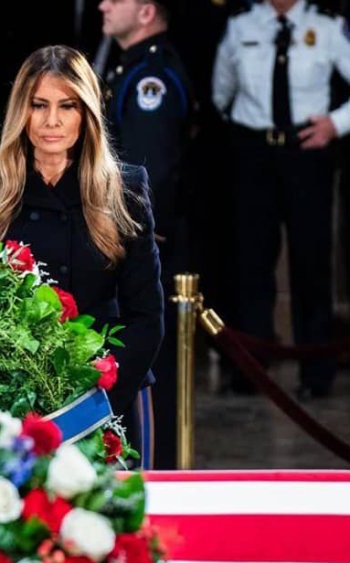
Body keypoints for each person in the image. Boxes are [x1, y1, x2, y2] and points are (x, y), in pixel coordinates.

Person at [0, 45, 163, 463]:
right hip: (10, 404)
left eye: (67, 106)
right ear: (21, 112)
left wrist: (95, 394)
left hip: (107, 397)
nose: (52, 121)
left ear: (85, 114)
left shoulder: (125, 190)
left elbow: (146, 319)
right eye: (39, 105)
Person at [213, 0, 350, 398]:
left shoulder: (327, 25)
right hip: (252, 153)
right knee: (250, 264)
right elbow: (222, 92)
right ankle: (251, 373)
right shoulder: (241, 24)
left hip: (306, 152)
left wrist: (336, 125)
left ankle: (316, 374)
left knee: (311, 264)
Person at [100, 0, 195, 468]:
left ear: (145, 12)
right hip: (130, 238)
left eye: (115, 0)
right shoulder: (126, 67)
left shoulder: (148, 78)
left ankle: (163, 470)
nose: (102, 5)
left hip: (144, 245)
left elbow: (146, 171)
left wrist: (129, 234)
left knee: (152, 367)